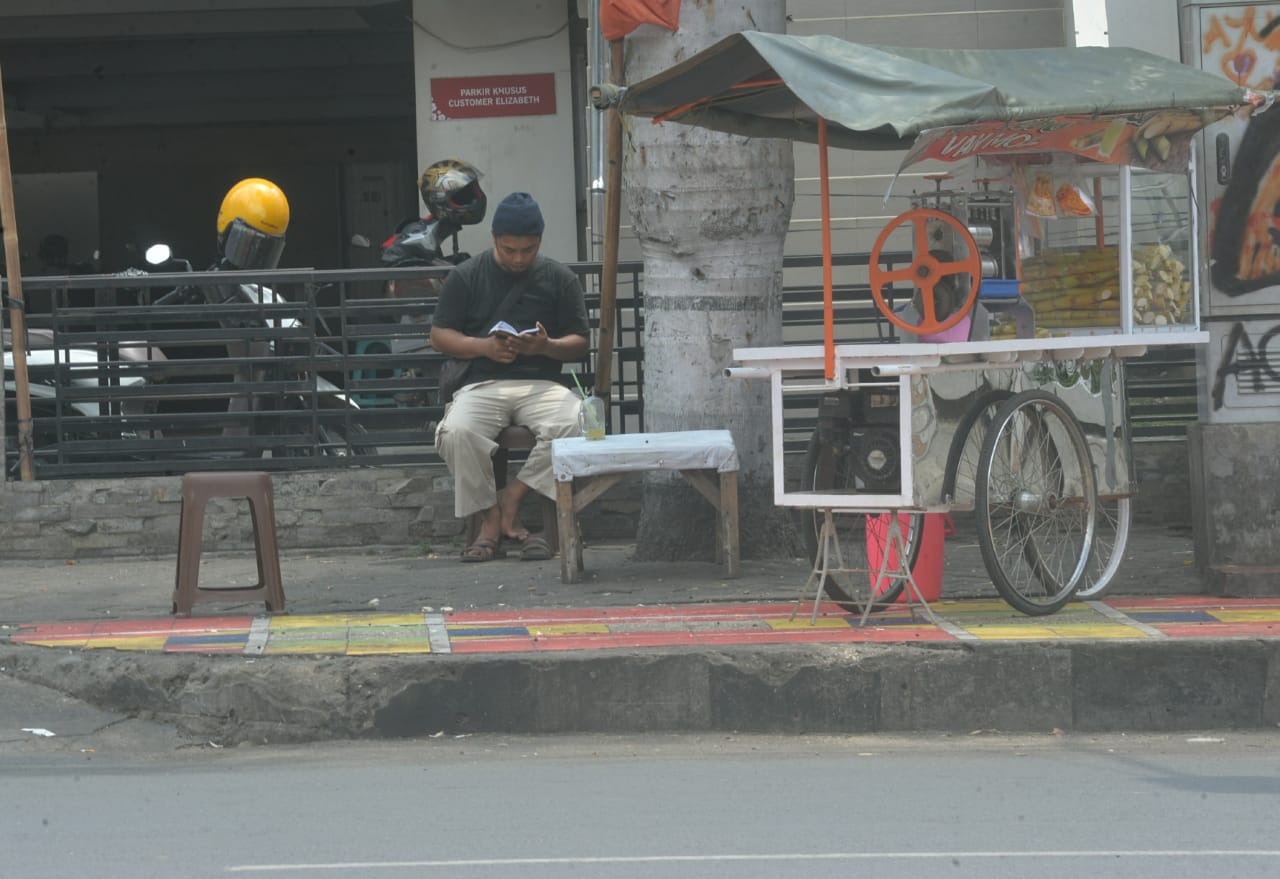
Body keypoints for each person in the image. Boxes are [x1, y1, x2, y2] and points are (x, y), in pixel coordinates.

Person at [430, 192, 590, 563]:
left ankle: (511, 499)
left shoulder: (560, 279)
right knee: (456, 432)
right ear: (494, 239)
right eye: (510, 250)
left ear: (540, 242)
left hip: (542, 385)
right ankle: (490, 517)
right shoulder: (466, 276)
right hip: (482, 383)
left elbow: (579, 343)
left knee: (577, 422)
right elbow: (439, 336)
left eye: (528, 250)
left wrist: (546, 346)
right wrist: (484, 348)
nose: (519, 258)